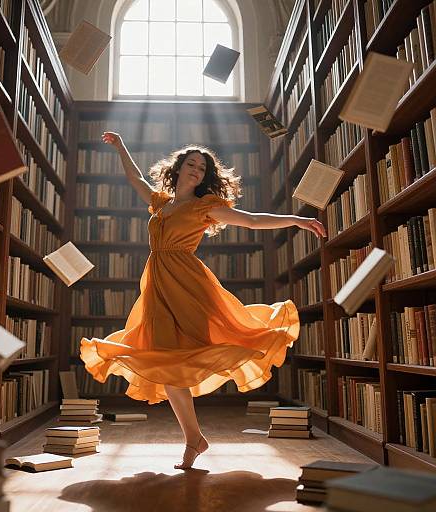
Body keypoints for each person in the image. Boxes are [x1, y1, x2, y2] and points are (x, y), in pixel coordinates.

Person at [80, 131, 327, 470]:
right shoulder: (161, 203)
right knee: (167, 365)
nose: (196, 170)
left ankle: (193, 439)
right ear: (178, 169)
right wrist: (122, 146)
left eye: (202, 167)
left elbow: (252, 221)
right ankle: (194, 439)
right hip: (156, 286)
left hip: (187, 285)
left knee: (179, 358)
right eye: (191, 164)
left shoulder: (205, 207)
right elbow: (134, 177)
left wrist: (296, 219)